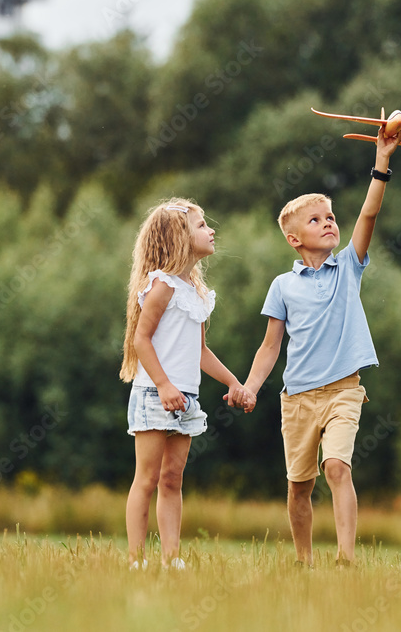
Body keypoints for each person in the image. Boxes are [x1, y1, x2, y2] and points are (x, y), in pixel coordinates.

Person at [242, 124, 401, 567]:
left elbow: (368, 216)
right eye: (315, 220)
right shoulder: (282, 285)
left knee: (337, 467)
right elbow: (270, 347)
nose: (328, 222)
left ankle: (346, 559)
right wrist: (252, 387)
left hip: (343, 391)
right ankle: (303, 562)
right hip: (296, 399)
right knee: (299, 485)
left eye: (330, 216)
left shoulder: (348, 267)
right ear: (295, 239)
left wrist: (382, 162)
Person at [120, 198, 255, 570]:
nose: (211, 231)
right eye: (201, 225)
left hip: (185, 398)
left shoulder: (193, 292)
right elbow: (141, 340)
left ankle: (171, 559)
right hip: (155, 394)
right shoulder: (161, 285)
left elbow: (200, 352)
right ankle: (136, 559)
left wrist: (235, 383)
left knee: (172, 479)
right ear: (179, 237)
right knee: (145, 479)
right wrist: (163, 386)